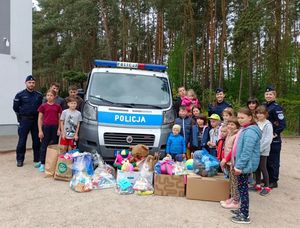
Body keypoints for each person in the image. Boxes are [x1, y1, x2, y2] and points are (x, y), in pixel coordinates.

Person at [231, 108, 261, 224]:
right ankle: (242, 209)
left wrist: (239, 166)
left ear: (250, 117)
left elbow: (246, 152)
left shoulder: (250, 132)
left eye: (242, 118)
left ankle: (245, 215)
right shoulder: (245, 129)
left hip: (244, 166)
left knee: (243, 190)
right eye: (238, 117)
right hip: (241, 164)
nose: (240, 120)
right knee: (241, 188)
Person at [13, 75, 43, 167]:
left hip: (35, 121)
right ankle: (20, 159)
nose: (31, 84)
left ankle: (37, 158)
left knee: (37, 141)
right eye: (29, 82)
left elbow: (41, 108)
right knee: (22, 141)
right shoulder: (20, 95)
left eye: (33, 83)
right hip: (24, 121)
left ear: (35, 84)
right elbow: (15, 108)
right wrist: (21, 116)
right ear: (26, 83)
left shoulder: (39, 95)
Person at [264, 85, 286, 188]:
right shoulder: (264, 106)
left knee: (273, 160)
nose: (268, 96)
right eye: (267, 94)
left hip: (274, 139)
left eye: (270, 94)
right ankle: (267, 178)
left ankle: (274, 180)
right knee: (266, 159)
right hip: (265, 138)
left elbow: (282, 124)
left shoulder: (277, 107)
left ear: (274, 95)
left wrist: (275, 134)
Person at [250, 105, 273, 196]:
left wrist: (259, 149)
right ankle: (258, 185)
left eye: (261, 113)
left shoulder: (268, 124)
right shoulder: (257, 123)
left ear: (265, 114)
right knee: (256, 168)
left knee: (263, 167)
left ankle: (267, 187)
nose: (259, 115)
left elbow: (268, 139)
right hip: (255, 150)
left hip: (263, 150)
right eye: (258, 113)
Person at [38, 90, 62, 172]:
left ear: (54, 97)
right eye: (47, 95)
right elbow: (40, 119)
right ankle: (42, 163)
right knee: (44, 145)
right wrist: (40, 130)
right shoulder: (43, 106)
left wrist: (59, 129)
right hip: (46, 127)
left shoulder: (57, 106)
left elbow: (59, 119)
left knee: (54, 146)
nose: (49, 97)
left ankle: (52, 163)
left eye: (51, 95)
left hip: (54, 127)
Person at [220, 117, 240, 209]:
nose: (230, 126)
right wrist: (223, 158)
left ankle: (235, 201)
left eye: (232, 125)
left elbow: (233, 151)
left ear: (237, 126)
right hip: (227, 161)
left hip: (232, 161)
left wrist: (225, 159)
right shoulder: (229, 134)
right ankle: (232, 197)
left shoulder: (237, 136)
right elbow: (225, 147)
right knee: (231, 181)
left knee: (235, 182)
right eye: (229, 124)